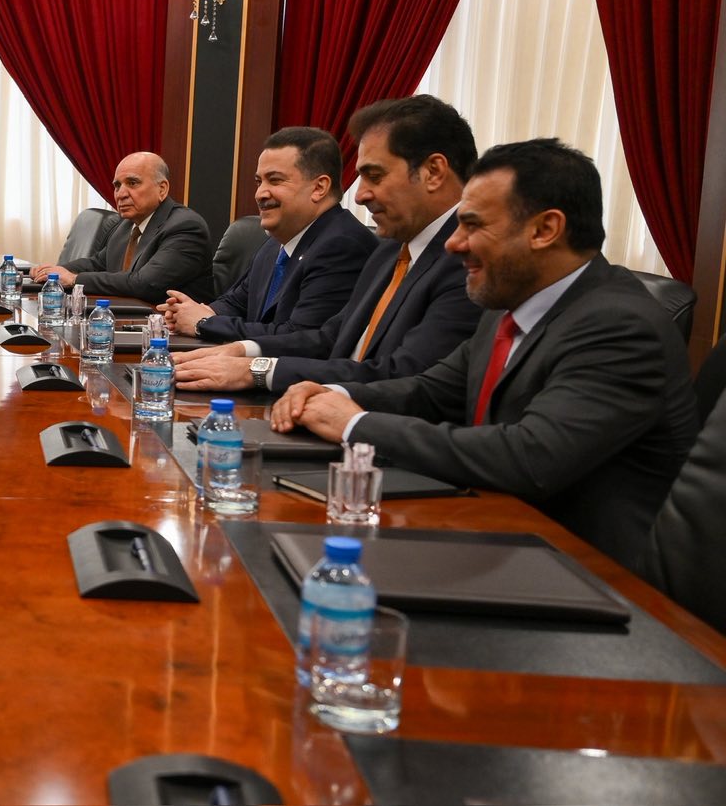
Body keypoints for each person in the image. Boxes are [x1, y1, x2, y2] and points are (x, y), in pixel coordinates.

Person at [270, 139, 696, 574]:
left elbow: (529, 458)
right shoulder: (509, 305)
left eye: (472, 225)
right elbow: (430, 391)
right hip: (494, 536)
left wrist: (354, 424)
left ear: (545, 230)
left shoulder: (620, 326)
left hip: (581, 573)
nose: (453, 244)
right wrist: (331, 394)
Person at [175, 96, 482, 393]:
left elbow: (402, 377)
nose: (359, 195)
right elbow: (328, 337)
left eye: (375, 176)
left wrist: (257, 370)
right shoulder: (391, 251)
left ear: (433, 172)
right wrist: (242, 350)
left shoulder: (471, 262)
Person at [159, 128, 375, 342]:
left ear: (319, 187)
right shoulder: (275, 243)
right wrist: (191, 313)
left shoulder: (342, 245)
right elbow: (235, 303)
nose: (260, 193)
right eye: (259, 181)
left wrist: (204, 323)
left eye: (275, 180)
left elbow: (300, 336)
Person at [31, 152, 217, 302]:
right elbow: (97, 264)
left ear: (162, 189)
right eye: (117, 186)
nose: (121, 194)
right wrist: (53, 272)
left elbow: (145, 284)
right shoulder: (126, 225)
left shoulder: (185, 227)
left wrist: (74, 279)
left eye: (132, 183)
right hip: (129, 318)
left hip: (169, 329)